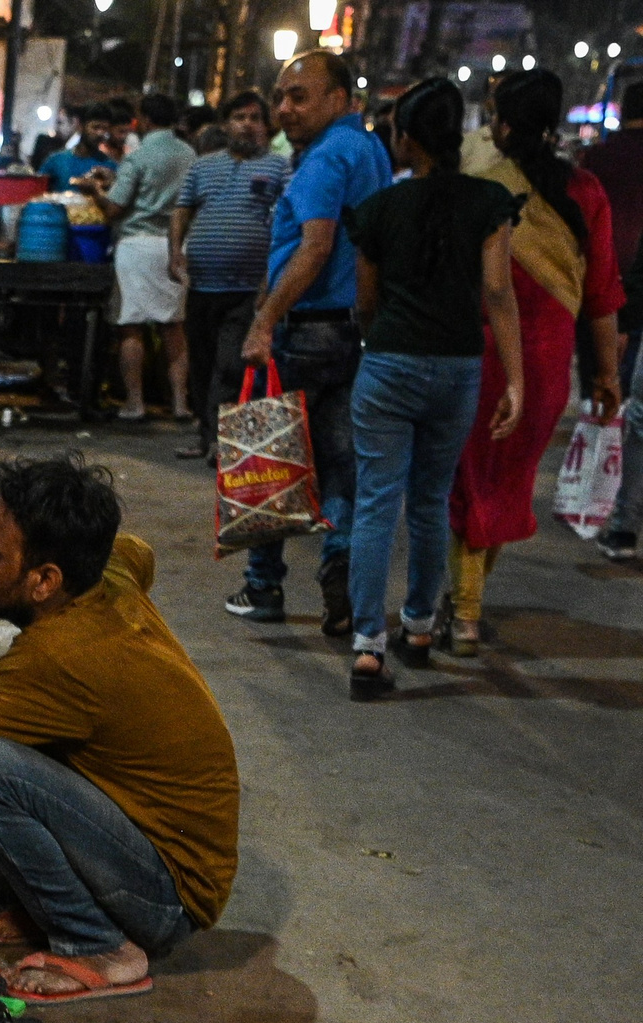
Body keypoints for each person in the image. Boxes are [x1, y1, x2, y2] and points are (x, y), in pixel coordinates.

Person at [0, 457, 239, 1004]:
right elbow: (137, 552)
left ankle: (100, 946)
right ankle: (46, 904)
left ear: (45, 581)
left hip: (171, 899)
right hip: (146, 839)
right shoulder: (106, 572)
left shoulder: (58, 656)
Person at [342, 79, 524, 697]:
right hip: (457, 368)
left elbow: (365, 303)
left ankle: (368, 647)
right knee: (429, 499)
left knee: (375, 502)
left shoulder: (378, 209)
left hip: (390, 362)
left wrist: (376, 341)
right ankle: (418, 627)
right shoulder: (490, 201)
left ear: (407, 137)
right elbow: (497, 293)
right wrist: (517, 379)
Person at [445, 69, 624, 655]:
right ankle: (463, 607)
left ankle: (463, 615)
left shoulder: (476, 181)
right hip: (545, 368)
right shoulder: (586, 192)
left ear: (502, 122)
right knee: (506, 482)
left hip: (478, 353)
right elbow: (602, 297)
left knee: (470, 481)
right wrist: (605, 375)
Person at [225, 50, 390, 630]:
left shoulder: (325, 158)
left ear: (340, 99)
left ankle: (263, 585)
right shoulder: (371, 151)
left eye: (299, 96)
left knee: (273, 455)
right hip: (351, 330)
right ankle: (339, 554)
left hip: (307, 330)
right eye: (280, 96)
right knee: (340, 461)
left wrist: (264, 319)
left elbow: (315, 246)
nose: (284, 108)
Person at [172, 92, 291, 460]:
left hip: (247, 288)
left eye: (256, 117)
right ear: (225, 124)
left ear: (266, 125)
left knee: (231, 365)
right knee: (203, 365)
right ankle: (207, 437)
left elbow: (287, 220)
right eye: (240, 117)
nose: (248, 124)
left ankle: (226, 443)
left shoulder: (279, 167)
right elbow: (182, 208)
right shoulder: (203, 166)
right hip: (202, 284)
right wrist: (174, 250)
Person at [86, 92, 196, 423]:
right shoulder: (189, 154)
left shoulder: (141, 155)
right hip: (175, 246)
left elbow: (116, 207)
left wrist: (96, 192)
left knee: (130, 328)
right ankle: (179, 403)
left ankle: (135, 403)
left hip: (137, 246)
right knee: (173, 328)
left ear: (144, 120)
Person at [579, 78, 643, 560]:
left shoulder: (600, 159)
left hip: (606, 293)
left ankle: (602, 506)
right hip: (625, 293)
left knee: (609, 400)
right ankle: (619, 517)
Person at [43, 105, 117, 191]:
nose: (100, 133)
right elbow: (38, 191)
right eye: (95, 127)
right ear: (80, 126)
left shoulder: (110, 166)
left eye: (104, 129)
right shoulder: (56, 160)